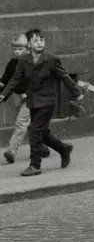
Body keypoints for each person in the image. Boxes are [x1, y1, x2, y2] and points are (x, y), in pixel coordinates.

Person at [0, 29, 81, 177]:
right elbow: (15, 79)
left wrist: (77, 93)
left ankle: (35, 165)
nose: (39, 43)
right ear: (29, 44)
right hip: (32, 101)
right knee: (41, 132)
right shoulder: (24, 61)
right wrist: (3, 94)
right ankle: (63, 149)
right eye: (35, 41)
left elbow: (64, 77)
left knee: (35, 131)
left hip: (47, 101)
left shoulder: (51, 59)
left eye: (42, 40)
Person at [2, 32, 31, 165]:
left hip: (31, 98)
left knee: (21, 123)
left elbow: (38, 81)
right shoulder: (12, 64)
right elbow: (5, 81)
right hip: (17, 97)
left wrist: (28, 92)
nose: (17, 52)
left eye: (20, 49)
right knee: (31, 124)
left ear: (28, 49)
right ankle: (43, 147)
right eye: (15, 49)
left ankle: (11, 151)